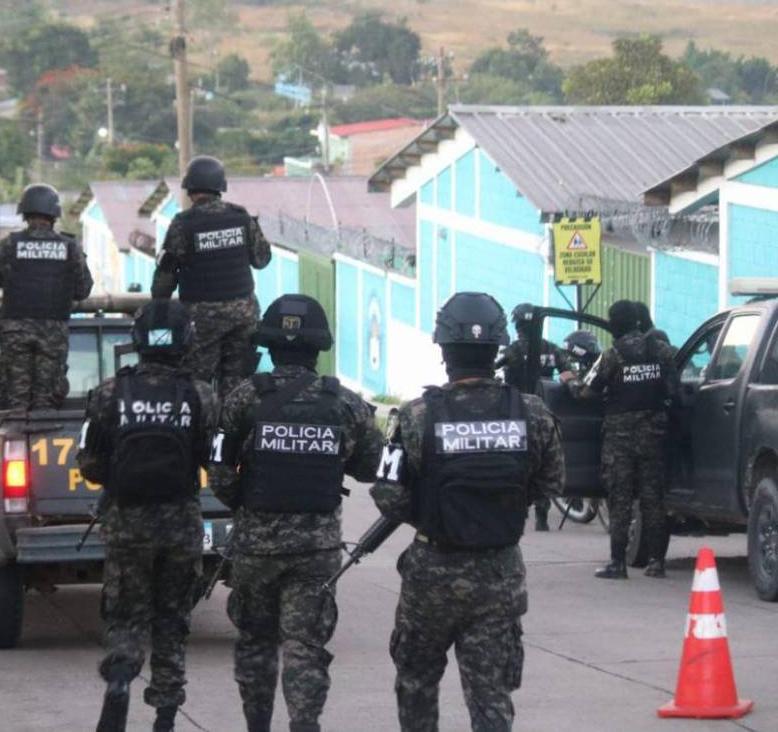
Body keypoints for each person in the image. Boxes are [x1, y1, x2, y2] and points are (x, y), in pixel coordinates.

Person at [370, 292, 565, 732]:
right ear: (496, 349)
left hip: (431, 577)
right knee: (491, 695)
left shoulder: (417, 416)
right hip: (499, 575)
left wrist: (433, 508)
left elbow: (388, 496)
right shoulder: (530, 411)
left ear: (443, 350)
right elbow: (550, 483)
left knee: (417, 685)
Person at [210, 294, 381, 732]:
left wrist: (247, 507)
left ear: (269, 344)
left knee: (256, 644)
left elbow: (220, 474)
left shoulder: (244, 398)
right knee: (305, 647)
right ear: (318, 346)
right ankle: (305, 725)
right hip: (316, 549)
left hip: (256, 548)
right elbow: (370, 469)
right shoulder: (345, 403)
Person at [77, 299, 219, 732]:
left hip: (127, 523)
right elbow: (213, 459)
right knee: (172, 620)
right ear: (186, 341)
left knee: (127, 614)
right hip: (181, 523)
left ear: (137, 342)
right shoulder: (202, 394)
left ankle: (120, 678)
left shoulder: (109, 392)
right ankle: (164, 716)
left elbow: (89, 464)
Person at [562, 299, 677, 579]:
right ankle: (657, 563)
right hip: (653, 434)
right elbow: (673, 389)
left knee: (620, 498)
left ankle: (618, 562)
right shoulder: (662, 351)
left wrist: (568, 379)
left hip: (620, 438)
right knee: (653, 498)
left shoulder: (612, 356)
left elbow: (586, 393)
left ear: (616, 324)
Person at [151, 155, 272, 395]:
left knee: (197, 384)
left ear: (190, 189)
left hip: (201, 319)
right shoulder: (240, 217)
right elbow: (262, 259)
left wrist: (159, 308)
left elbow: (166, 276)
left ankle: (200, 430)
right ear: (220, 187)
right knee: (237, 383)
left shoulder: (183, 224)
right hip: (243, 315)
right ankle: (230, 430)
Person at [0, 184, 93, 410]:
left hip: (15, 332)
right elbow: (83, 289)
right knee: (47, 402)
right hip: (52, 334)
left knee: (15, 400)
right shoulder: (69, 247)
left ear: (24, 213)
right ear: (54, 215)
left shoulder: (10, 244)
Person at [495, 303, 565, 531]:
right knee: (543, 460)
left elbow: (493, 368)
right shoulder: (552, 349)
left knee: (513, 459)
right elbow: (568, 374)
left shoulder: (513, 350)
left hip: (515, 412)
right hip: (543, 412)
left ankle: (514, 508)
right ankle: (542, 516)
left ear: (517, 325)